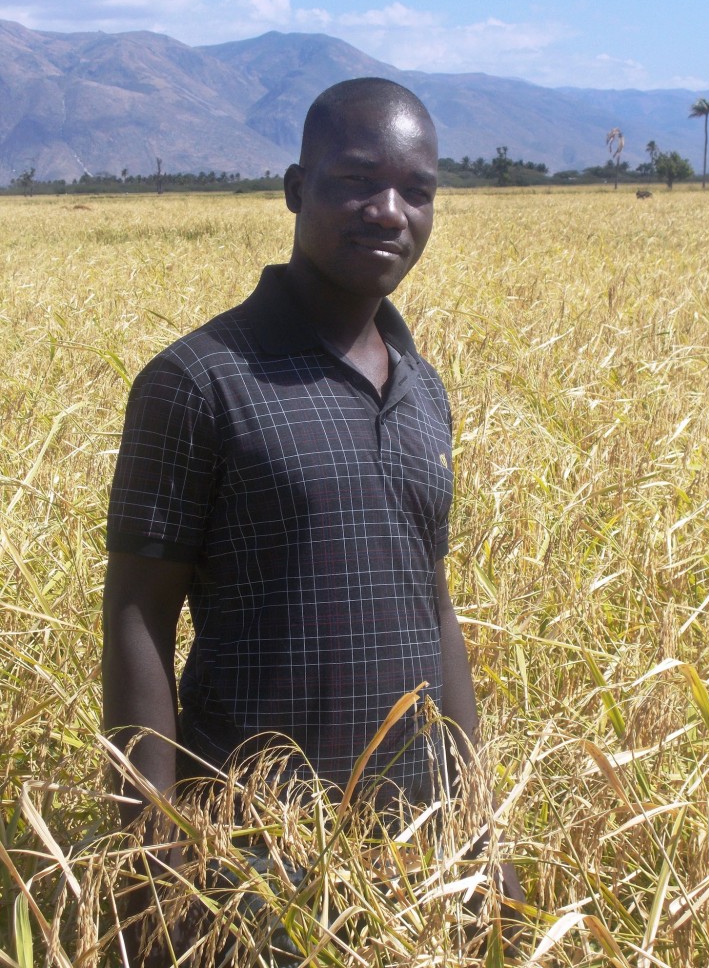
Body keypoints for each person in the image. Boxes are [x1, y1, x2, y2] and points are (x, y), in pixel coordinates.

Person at [103, 76, 523, 960]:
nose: (389, 211)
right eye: (356, 181)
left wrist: (481, 820)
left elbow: (431, 603)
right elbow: (138, 616)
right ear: (297, 191)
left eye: (418, 190)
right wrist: (153, 847)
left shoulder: (423, 392)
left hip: (415, 850)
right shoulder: (200, 380)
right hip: (256, 856)